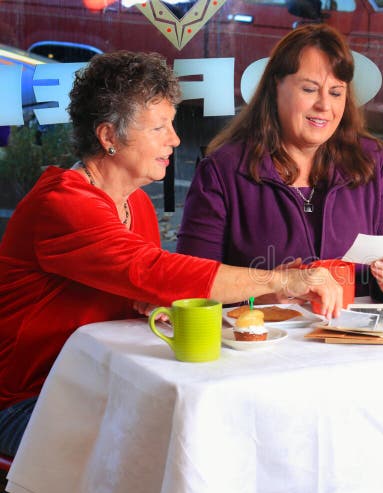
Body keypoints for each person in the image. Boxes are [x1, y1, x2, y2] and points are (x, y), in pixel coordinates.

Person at [0, 51, 343, 458]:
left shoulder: (137, 205)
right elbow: (156, 272)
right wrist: (278, 279)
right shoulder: (63, 202)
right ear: (109, 137)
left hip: (105, 385)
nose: (176, 140)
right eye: (160, 127)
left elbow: (155, 293)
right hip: (31, 404)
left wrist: (270, 296)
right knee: (184, 450)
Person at [177, 24, 383, 305]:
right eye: (309, 89)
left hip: (356, 343)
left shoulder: (372, 161)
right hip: (261, 341)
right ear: (275, 87)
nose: (324, 106)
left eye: (336, 92)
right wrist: (269, 290)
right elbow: (192, 282)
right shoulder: (222, 170)